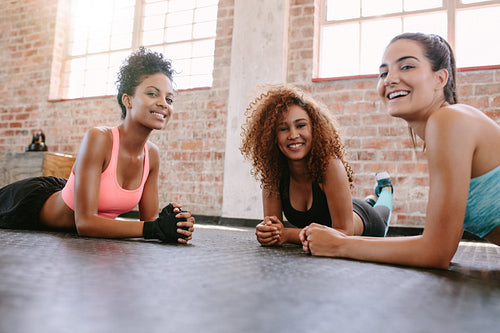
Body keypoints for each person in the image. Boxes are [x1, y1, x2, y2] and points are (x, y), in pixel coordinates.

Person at [300, 32, 500, 269]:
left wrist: (340, 244)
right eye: (383, 72)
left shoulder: (449, 120)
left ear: (440, 78)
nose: (390, 79)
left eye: (406, 66)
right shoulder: (450, 123)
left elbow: (436, 252)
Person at [0, 47, 194, 243]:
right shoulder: (99, 138)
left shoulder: (152, 154)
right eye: (152, 94)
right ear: (127, 100)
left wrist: (176, 225)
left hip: (64, 190)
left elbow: (150, 221)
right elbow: (85, 223)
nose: (163, 104)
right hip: (29, 204)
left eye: (169, 99)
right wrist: (155, 228)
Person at [240, 84, 393, 246]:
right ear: (272, 136)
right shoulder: (274, 173)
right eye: (283, 128)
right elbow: (274, 229)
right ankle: (369, 200)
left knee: (381, 212)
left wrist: (286, 234)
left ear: (315, 128)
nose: (293, 135)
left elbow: (344, 233)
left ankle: (386, 189)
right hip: (343, 212)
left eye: (300, 125)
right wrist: (266, 232)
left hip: (366, 222)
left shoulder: (329, 165)